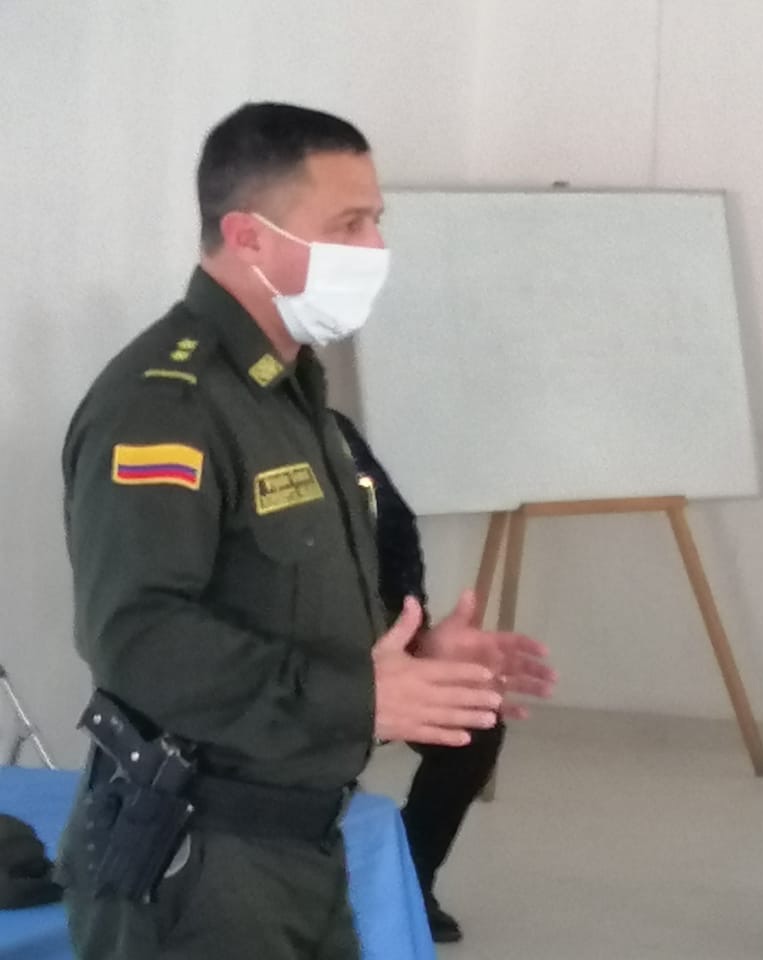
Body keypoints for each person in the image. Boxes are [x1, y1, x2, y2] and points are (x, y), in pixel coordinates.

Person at [57, 101, 547, 960]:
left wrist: (416, 658)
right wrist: (361, 696)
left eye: (377, 221)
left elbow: (281, 600)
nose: (375, 249)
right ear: (248, 236)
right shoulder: (168, 403)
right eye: (348, 225)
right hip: (199, 863)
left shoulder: (291, 396)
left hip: (302, 847)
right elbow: (137, 636)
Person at [332, 410, 554, 943]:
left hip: (376, 649)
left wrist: (418, 635)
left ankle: (410, 880)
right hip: (291, 675)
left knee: (473, 724)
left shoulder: (331, 428)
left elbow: (394, 526)